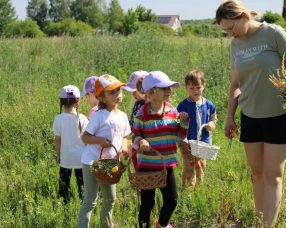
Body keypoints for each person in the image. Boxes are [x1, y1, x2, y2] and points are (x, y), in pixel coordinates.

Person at [216, 1, 286, 227]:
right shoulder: (235, 45)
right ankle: (260, 223)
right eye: (225, 30)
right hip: (250, 116)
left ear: (243, 16)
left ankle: (268, 225)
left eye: (231, 28)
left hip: (279, 115)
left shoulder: (274, 34)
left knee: (272, 176)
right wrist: (230, 116)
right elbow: (235, 84)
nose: (230, 33)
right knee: (257, 174)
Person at [132, 71, 189, 228]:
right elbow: (136, 134)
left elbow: (180, 134)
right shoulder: (142, 113)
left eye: (169, 88)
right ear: (151, 92)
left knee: (172, 200)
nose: (169, 91)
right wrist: (141, 140)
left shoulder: (172, 111)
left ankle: (162, 225)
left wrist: (184, 122)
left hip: (166, 166)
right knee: (147, 204)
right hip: (147, 167)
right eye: (164, 88)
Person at [78, 74, 131, 228]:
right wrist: (99, 141)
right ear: (101, 97)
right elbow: (85, 137)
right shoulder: (99, 115)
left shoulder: (122, 116)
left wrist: (123, 147)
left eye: (118, 91)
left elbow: (125, 136)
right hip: (92, 162)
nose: (117, 94)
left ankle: (106, 225)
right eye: (112, 92)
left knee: (110, 198)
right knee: (90, 200)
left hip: (109, 164)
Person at [177, 70, 217, 188]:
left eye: (198, 87)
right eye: (191, 88)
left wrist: (211, 124)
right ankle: (187, 189)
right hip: (187, 141)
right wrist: (181, 117)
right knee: (189, 165)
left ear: (203, 86)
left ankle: (199, 188)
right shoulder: (183, 105)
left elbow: (214, 118)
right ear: (186, 88)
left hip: (203, 141)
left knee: (201, 164)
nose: (195, 91)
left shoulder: (208, 104)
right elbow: (176, 121)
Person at [52, 85, 88, 204]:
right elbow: (87, 139)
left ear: (61, 102)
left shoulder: (58, 119)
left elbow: (58, 140)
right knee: (82, 186)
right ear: (78, 101)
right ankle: (84, 204)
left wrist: (58, 155)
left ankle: (64, 204)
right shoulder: (82, 118)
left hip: (66, 157)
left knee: (63, 185)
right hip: (81, 158)